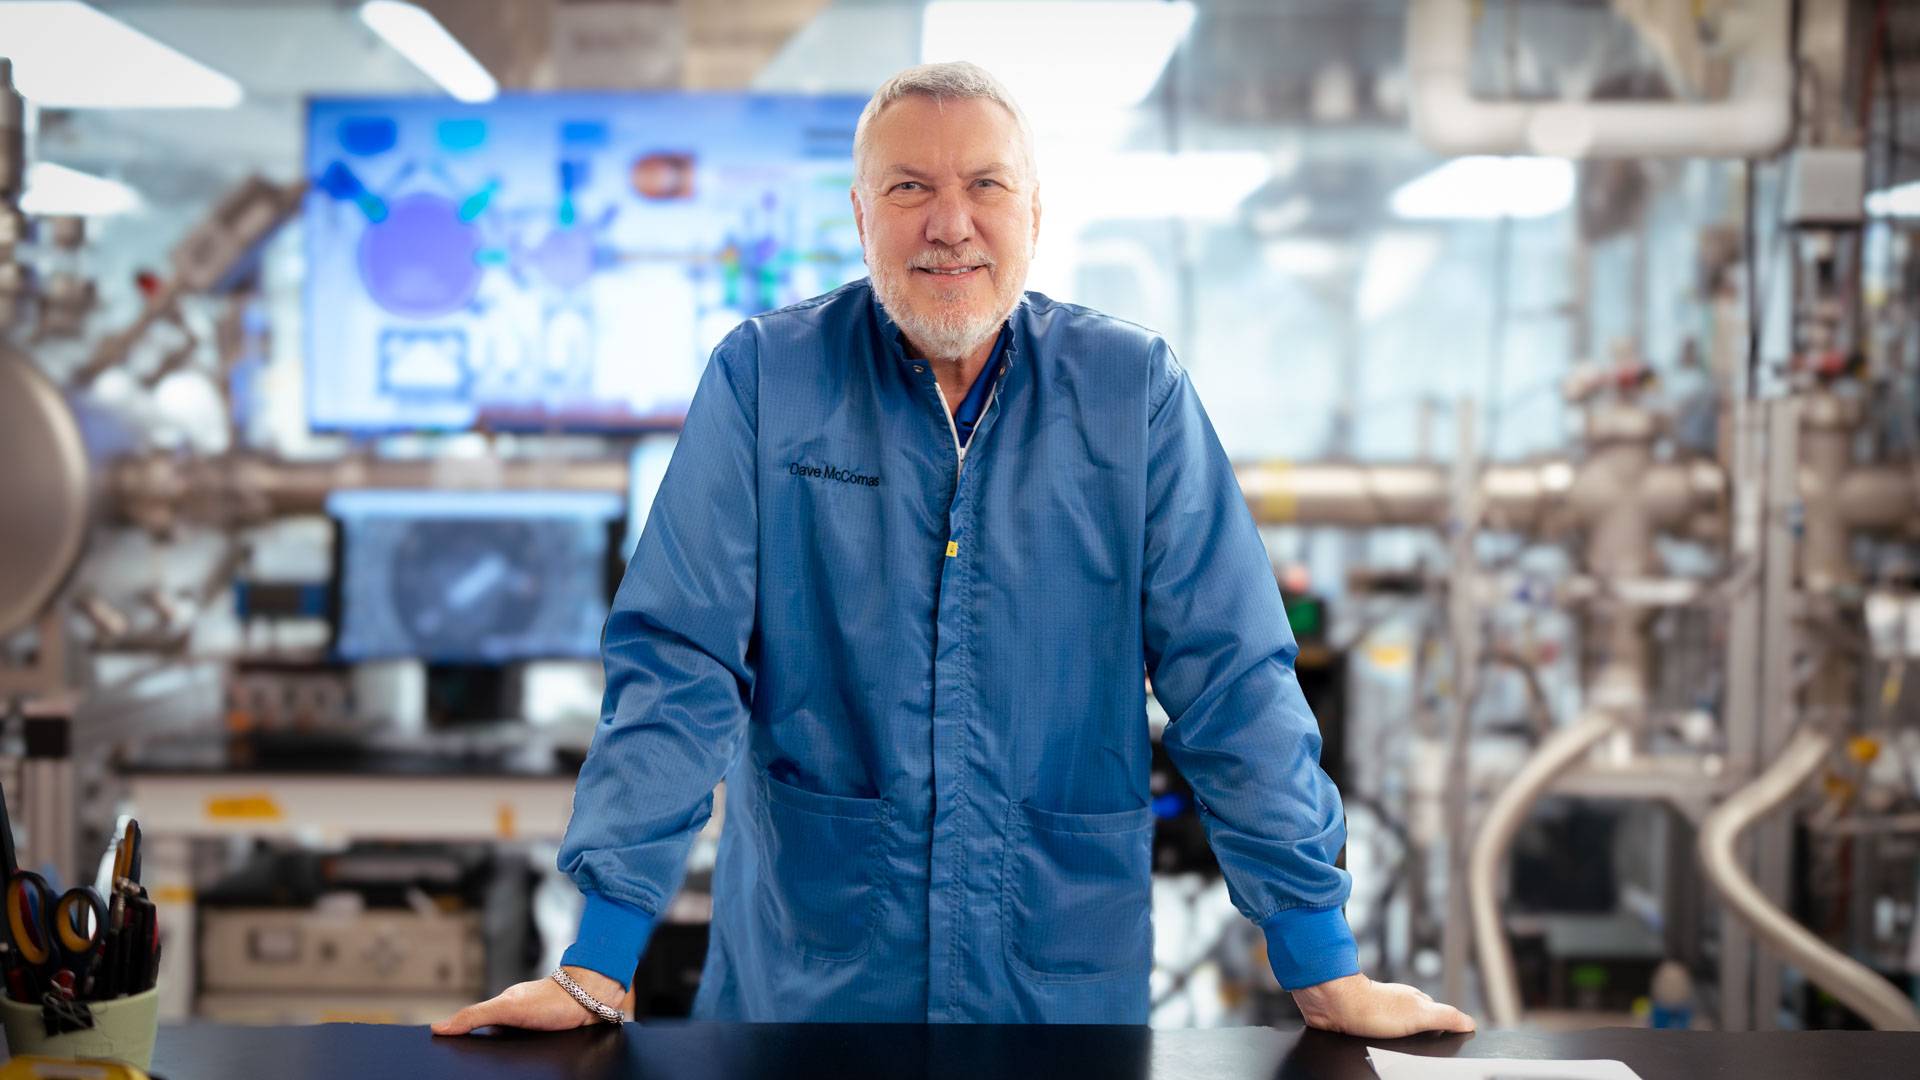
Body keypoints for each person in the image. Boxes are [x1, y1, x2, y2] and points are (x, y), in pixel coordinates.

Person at [434, 61, 1474, 1037]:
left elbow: (1233, 675)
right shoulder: (768, 383)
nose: (950, 223)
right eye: (908, 188)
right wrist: (601, 953)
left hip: (1056, 991)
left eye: (985, 184)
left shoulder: (1131, 395)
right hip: (812, 987)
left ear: (1033, 213)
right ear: (857, 215)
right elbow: (678, 660)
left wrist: (1317, 955)